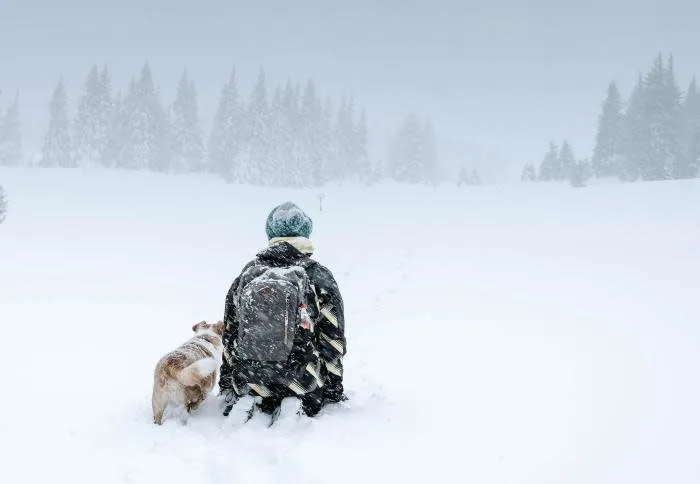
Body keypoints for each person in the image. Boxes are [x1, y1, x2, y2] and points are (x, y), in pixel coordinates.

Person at [218, 202, 346, 418]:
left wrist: (228, 385)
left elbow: (231, 334)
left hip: (248, 383)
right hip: (303, 386)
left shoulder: (249, 274)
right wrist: (333, 390)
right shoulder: (319, 276)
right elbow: (332, 339)